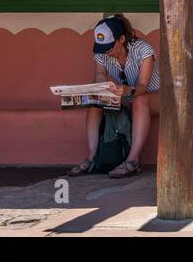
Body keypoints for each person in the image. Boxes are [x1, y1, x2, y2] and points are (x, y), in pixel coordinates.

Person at [68, 14, 160, 178]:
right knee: (95, 102)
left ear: (122, 39)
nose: (106, 52)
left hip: (153, 96)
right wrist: (103, 85)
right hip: (121, 96)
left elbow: (143, 87)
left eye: (110, 47)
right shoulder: (102, 53)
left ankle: (132, 160)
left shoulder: (143, 50)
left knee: (140, 101)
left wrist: (127, 91)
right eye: (103, 48)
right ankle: (92, 156)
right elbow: (99, 74)